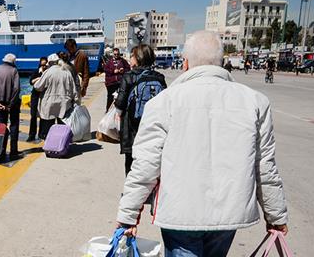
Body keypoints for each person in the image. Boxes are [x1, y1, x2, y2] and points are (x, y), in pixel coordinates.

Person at [116, 30, 288, 257]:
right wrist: (276, 216)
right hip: (228, 215)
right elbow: (265, 167)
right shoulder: (255, 101)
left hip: (180, 213)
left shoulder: (164, 103)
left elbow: (145, 165)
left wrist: (128, 215)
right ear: (222, 62)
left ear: (185, 63)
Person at [114, 44, 166, 176]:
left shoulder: (129, 76)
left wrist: (117, 114)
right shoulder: (159, 77)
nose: (130, 58)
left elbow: (120, 103)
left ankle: (131, 192)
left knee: (131, 165)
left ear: (138, 58)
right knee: (152, 163)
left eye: (132, 56)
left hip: (132, 128)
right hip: (154, 127)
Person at [34, 52, 80, 139]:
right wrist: (76, 102)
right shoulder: (67, 72)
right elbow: (74, 90)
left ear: (50, 63)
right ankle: (61, 145)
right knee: (62, 127)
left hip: (49, 105)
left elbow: (38, 87)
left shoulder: (48, 72)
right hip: (64, 105)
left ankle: (50, 146)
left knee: (48, 128)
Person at [0, 53, 21, 160]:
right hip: (12, 104)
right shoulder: (14, 71)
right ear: (13, 62)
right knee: (14, 125)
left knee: (1, 126)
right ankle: (13, 151)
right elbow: (16, 89)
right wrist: (10, 105)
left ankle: (1, 151)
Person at [103, 48, 130, 112]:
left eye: (118, 54)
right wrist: (113, 71)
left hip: (120, 82)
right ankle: (108, 110)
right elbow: (106, 70)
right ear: (113, 54)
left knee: (121, 97)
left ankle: (120, 111)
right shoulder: (109, 62)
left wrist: (123, 70)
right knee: (110, 97)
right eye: (115, 54)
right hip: (111, 83)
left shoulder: (123, 61)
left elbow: (128, 68)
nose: (116, 55)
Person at [27, 57, 48, 141]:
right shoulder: (36, 72)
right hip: (35, 96)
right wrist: (39, 78)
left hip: (44, 96)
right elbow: (30, 81)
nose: (44, 66)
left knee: (43, 115)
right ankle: (31, 135)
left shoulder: (48, 73)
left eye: (45, 65)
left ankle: (41, 134)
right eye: (42, 65)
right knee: (33, 115)